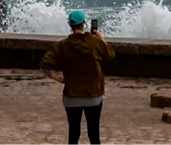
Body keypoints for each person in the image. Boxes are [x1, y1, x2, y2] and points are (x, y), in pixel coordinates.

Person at [40, 10, 115, 145]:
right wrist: (101, 37)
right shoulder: (94, 42)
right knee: (94, 133)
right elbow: (110, 56)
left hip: (71, 97)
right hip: (93, 96)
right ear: (84, 24)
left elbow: (45, 64)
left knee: (74, 134)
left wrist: (59, 79)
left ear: (70, 25)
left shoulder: (62, 45)